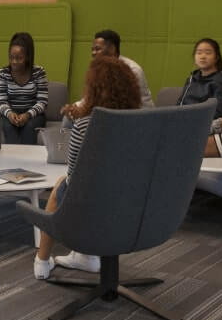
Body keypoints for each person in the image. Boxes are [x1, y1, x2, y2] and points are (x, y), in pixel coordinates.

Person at [34, 55, 142, 279]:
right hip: (135, 205)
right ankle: (87, 257)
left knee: (61, 184)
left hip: (91, 209)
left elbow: (74, 176)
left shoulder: (85, 124)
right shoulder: (140, 123)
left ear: (94, 89)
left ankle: (42, 262)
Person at [0, 32, 49, 144]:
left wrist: (28, 115)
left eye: (19, 58)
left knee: (29, 127)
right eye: (11, 57)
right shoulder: (3, 73)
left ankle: (28, 160)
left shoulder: (39, 72)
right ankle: (12, 160)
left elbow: (42, 102)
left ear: (28, 57)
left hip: (33, 115)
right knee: (9, 128)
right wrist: (10, 114)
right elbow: (1, 102)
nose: (14, 62)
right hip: (10, 114)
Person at [176, 38, 222, 119]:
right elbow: (180, 103)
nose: (203, 56)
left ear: (217, 57)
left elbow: (218, 112)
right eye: (199, 53)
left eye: (208, 53)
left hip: (204, 123)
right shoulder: (192, 78)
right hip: (183, 120)